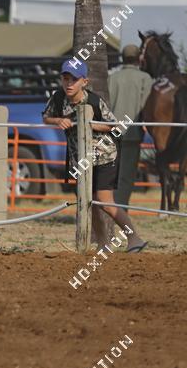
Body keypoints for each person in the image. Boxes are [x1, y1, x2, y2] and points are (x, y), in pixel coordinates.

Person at [43, 59, 147, 252]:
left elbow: (113, 125)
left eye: (74, 79)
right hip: (80, 159)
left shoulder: (94, 101)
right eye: (65, 79)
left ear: (85, 82)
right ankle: (103, 243)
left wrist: (89, 124)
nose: (69, 83)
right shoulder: (57, 98)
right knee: (89, 202)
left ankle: (134, 238)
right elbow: (46, 117)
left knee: (105, 202)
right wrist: (58, 121)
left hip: (104, 156)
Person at [108, 44, 155, 206]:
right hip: (132, 134)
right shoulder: (145, 78)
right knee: (126, 177)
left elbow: (106, 106)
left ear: (123, 58)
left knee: (111, 174)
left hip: (112, 133)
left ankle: (109, 208)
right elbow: (146, 106)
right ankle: (120, 210)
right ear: (139, 58)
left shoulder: (113, 78)